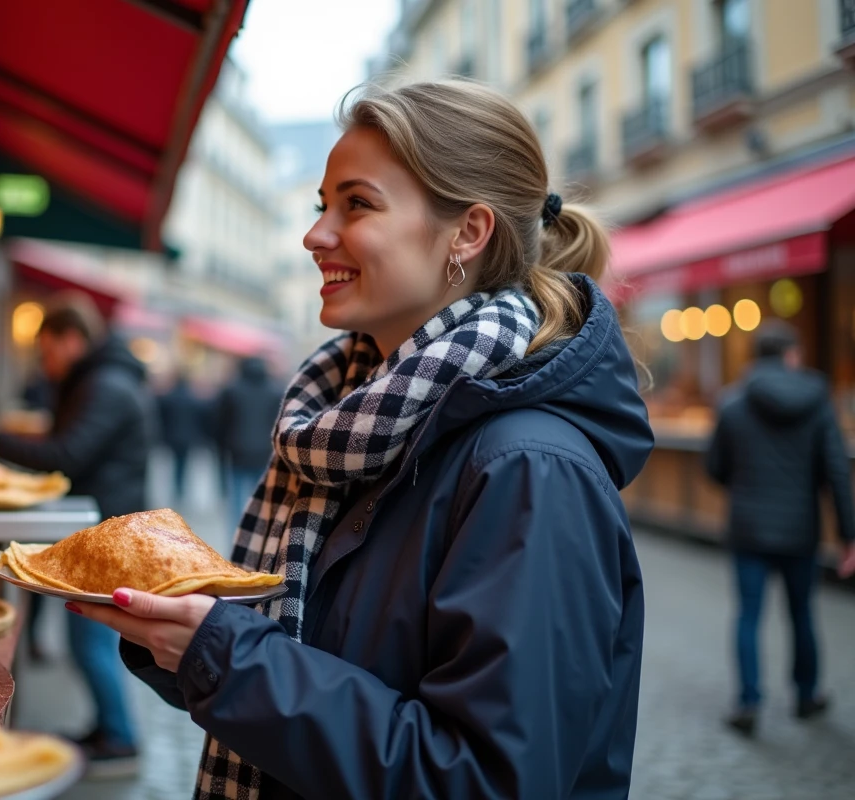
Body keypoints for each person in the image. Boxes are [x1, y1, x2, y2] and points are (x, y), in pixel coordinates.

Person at [70, 80, 654, 799]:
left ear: (468, 234)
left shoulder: (528, 468)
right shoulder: (352, 424)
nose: (315, 235)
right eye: (322, 206)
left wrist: (226, 652)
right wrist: (182, 640)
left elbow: (487, 782)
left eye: (358, 204)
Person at [0, 292, 149, 777]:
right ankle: (109, 730)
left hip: (107, 529)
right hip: (102, 522)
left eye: (48, 351)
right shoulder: (103, 379)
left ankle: (120, 739)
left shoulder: (105, 384)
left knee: (90, 640)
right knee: (90, 638)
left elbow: (69, 454)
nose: (45, 363)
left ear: (72, 339)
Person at [706, 321, 855, 736]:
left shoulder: (732, 404)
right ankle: (806, 696)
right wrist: (848, 535)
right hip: (799, 529)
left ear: (757, 356)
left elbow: (714, 467)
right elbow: (836, 473)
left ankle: (750, 701)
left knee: (749, 615)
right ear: (792, 355)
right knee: (802, 614)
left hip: (748, 527)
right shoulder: (818, 401)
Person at [215, 356, 283, 530]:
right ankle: (257, 536)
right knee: (261, 501)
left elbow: (221, 422)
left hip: (237, 452)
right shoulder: (275, 391)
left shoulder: (231, 390)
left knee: (236, 502)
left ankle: (236, 539)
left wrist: (223, 445)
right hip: (265, 453)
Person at [156, 373, 207, 504]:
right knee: (184, 464)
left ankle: (177, 489)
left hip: (173, 437)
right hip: (188, 438)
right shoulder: (192, 399)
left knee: (176, 464)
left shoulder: (170, 398)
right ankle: (182, 490)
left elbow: (163, 417)